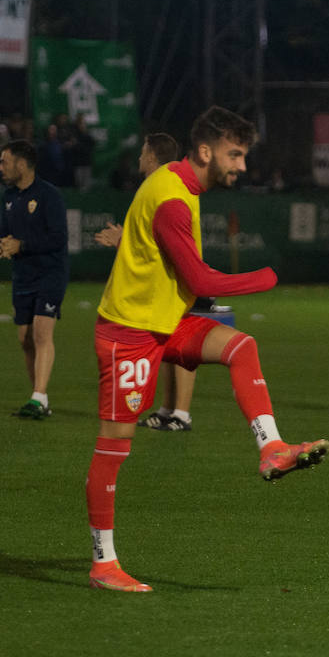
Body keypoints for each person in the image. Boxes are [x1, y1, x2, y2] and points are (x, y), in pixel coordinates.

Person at [86, 106, 329, 592]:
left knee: (241, 345)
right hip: (129, 334)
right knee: (113, 450)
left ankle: (272, 448)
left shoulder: (184, 185)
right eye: (234, 154)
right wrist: (265, 277)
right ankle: (103, 564)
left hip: (163, 321)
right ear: (205, 151)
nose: (241, 165)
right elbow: (198, 279)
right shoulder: (175, 198)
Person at [93, 132, 198, 432]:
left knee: (181, 348)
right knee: (165, 347)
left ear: (152, 155)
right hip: (163, 285)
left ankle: (182, 414)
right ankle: (168, 409)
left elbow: (166, 242)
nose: (139, 158)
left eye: (142, 152)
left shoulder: (166, 188)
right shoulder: (156, 186)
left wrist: (122, 240)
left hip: (173, 285)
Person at [0, 139, 68, 419]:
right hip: (22, 276)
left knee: (40, 332)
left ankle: (38, 398)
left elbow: (59, 237)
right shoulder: (8, 197)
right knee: (25, 338)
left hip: (50, 273)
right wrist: (4, 245)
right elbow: (3, 232)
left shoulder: (49, 195)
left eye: (5, 161)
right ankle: (39, 396)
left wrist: (21, 245)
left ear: (22, 165)